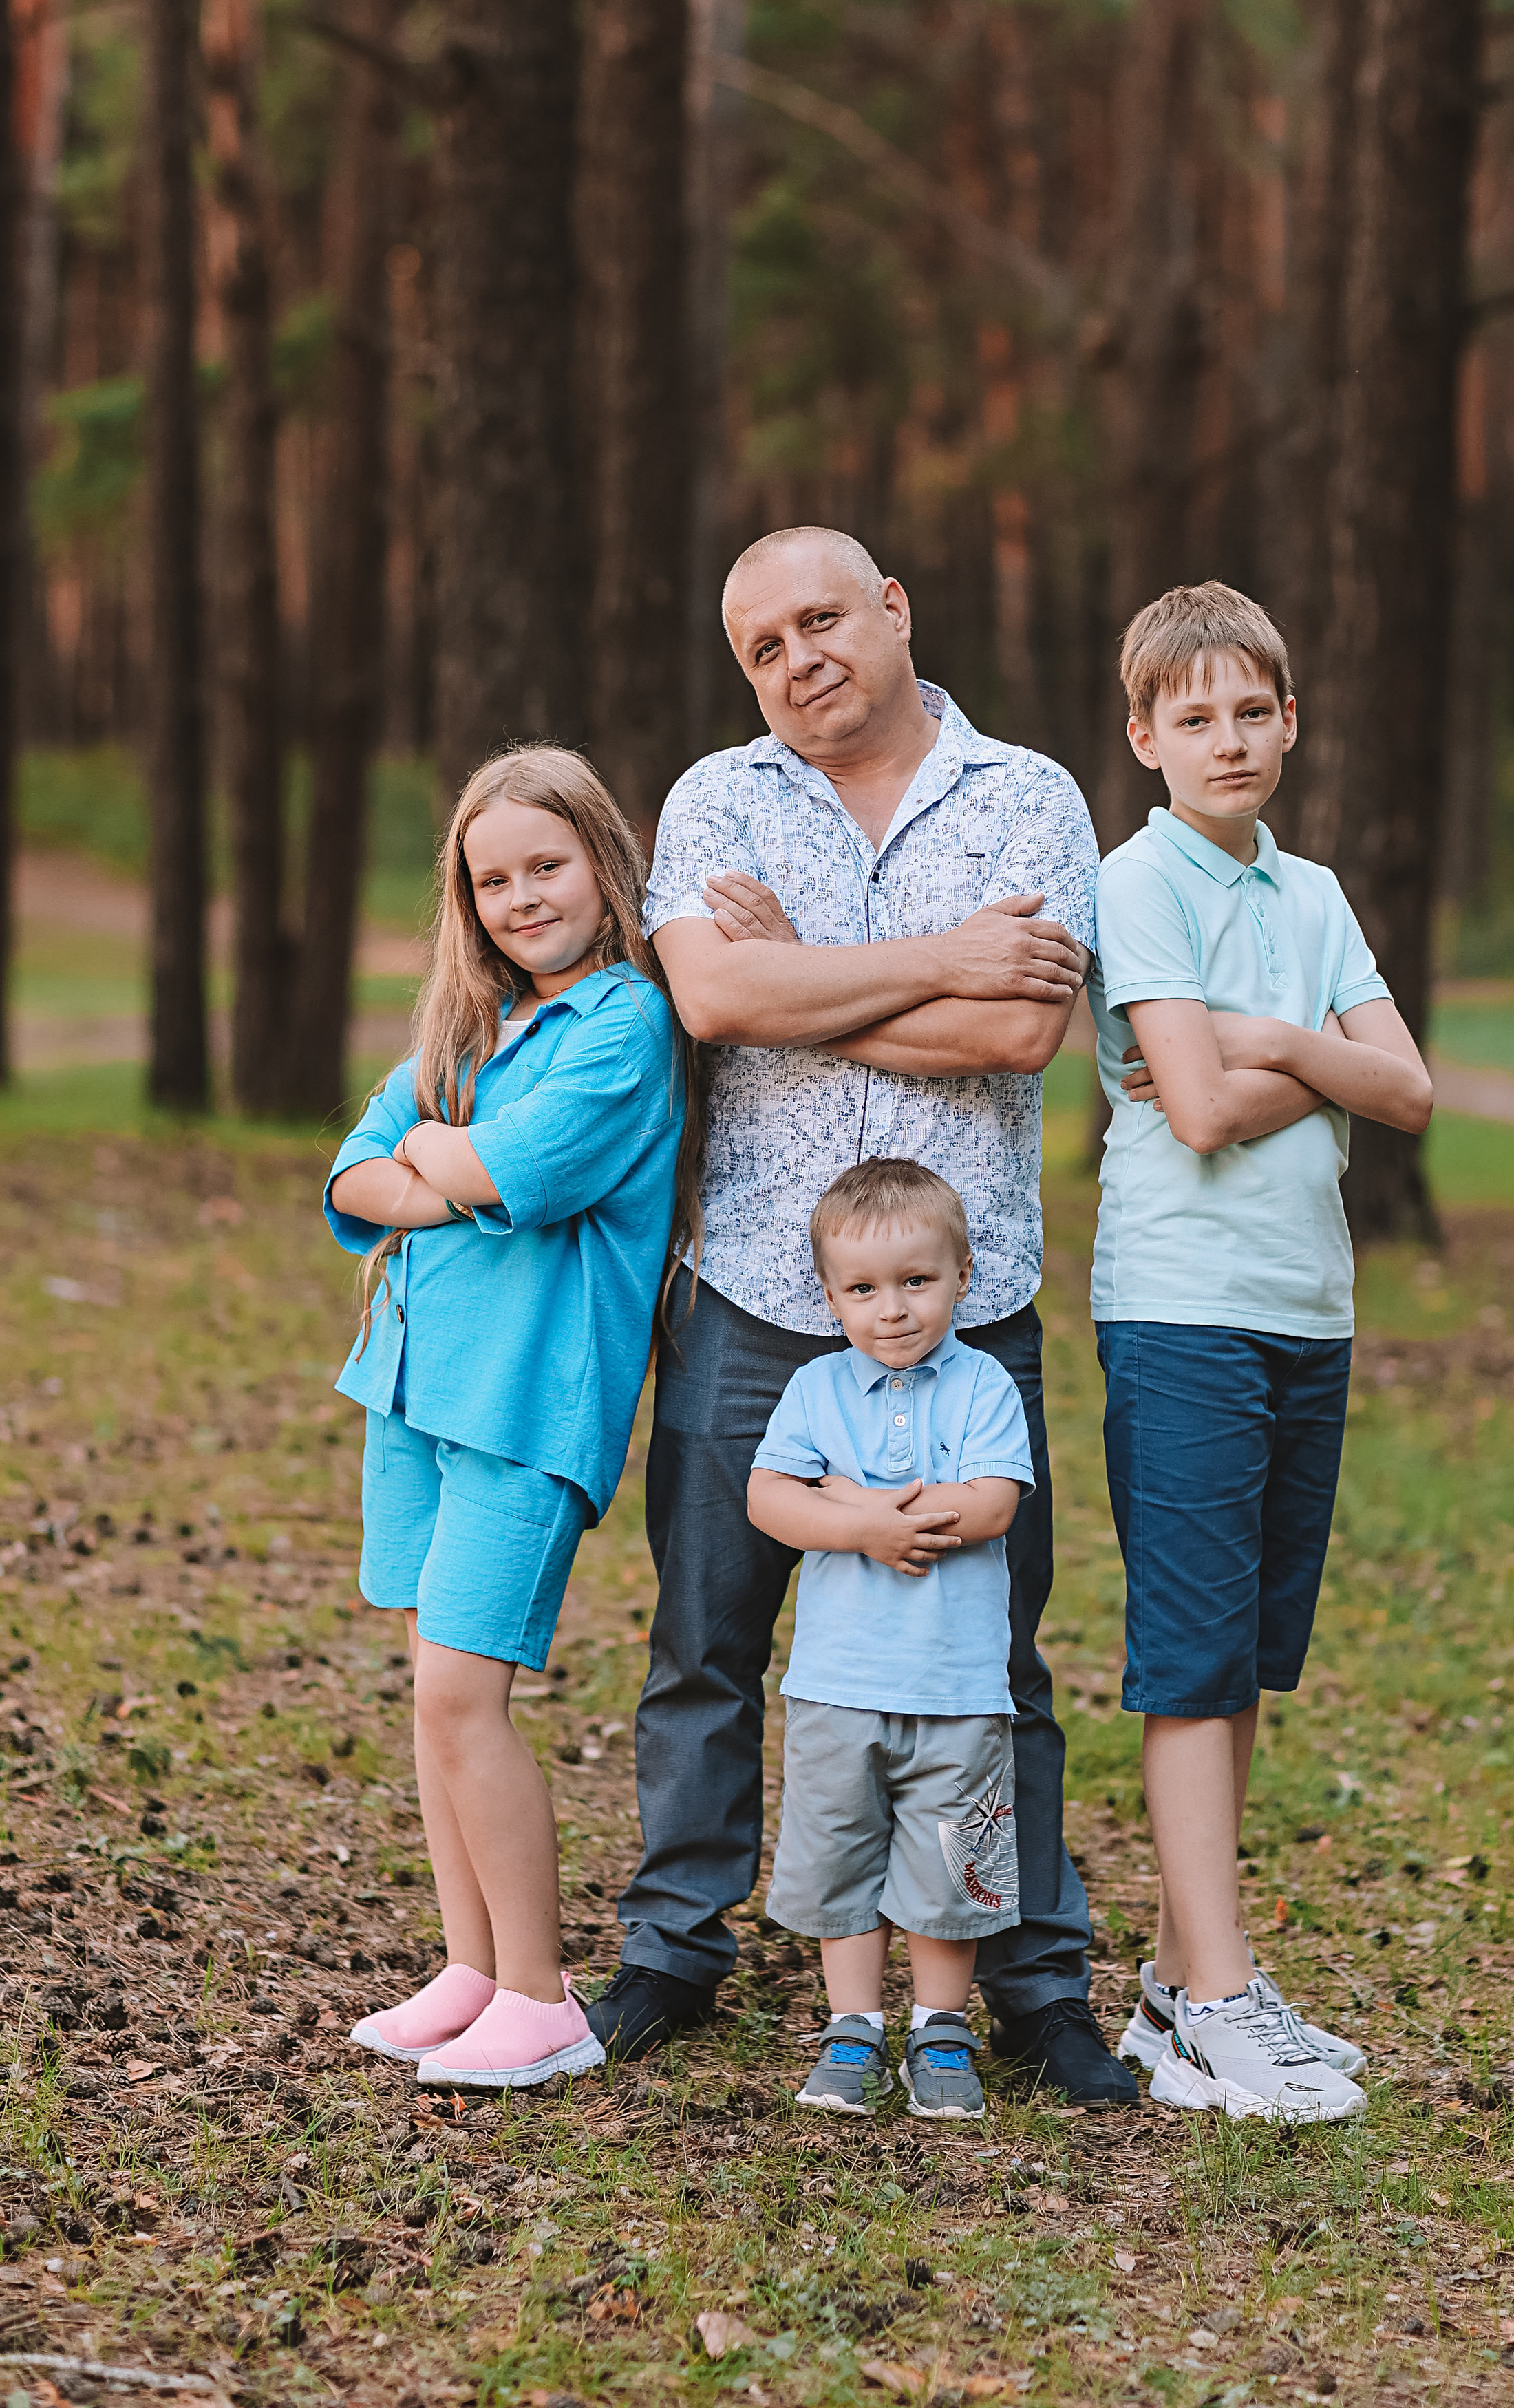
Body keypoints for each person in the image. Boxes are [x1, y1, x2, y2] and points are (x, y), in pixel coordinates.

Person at [589, 523, 1137, 2107]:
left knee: (993, 1656)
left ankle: (1030, 1972)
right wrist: (934, 966)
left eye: (819, 621)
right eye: (760, 647)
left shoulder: (1024, 792)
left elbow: (1023, 1026)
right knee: (705, 1641)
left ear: (893, 609)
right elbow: (710, 1000)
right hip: (756, 1294)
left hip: (968, 1314)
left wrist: (811, 973)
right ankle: (674, 1947)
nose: (795, 661)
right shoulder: (714, 797)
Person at [1088, 582, 1433, 2121]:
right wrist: (1320, 1061)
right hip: (1178, 1305)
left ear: (1286, 722)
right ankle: (1217, 2004)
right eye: (1192, 717)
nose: (1224, 740)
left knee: (1242, 1666)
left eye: (1250, 712)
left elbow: (1407, 1091)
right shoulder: (1136, 883)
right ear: (1143, 737)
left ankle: (1182, 1987)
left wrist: (1283, 1040)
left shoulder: (1314, 895)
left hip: (1307, 1306)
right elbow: (1196, 1110)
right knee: (1187, 1660)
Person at [323, 747, 695, 2091]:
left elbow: (516, 1167)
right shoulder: (467, 1030)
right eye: (493, 880)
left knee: (462, 1694)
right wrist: (437, 1165)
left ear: (603, 862)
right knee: (430, 1699)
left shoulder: (624, 1025)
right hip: (416, 1389)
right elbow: (355, 1171)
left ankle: (538, 1998)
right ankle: (471, 1967)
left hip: (530, 1408)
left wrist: (441, 1158)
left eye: (547, 866)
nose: (522, 897)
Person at [749, 1158, 1035, 2121]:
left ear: (962, 1275)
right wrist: (861, 1525)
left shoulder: (985, 1383)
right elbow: (767, 1497)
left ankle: (941, 2031)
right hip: (837, 1684)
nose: (894, 1310)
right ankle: (854, 2028)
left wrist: (859, 1500)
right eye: (865, 1290)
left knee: (950, 1868)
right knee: (844, 1861)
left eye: (918, 1281)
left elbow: (993, 1503)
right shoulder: (818, 1389)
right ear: (830, 1298)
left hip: (957, 1691)